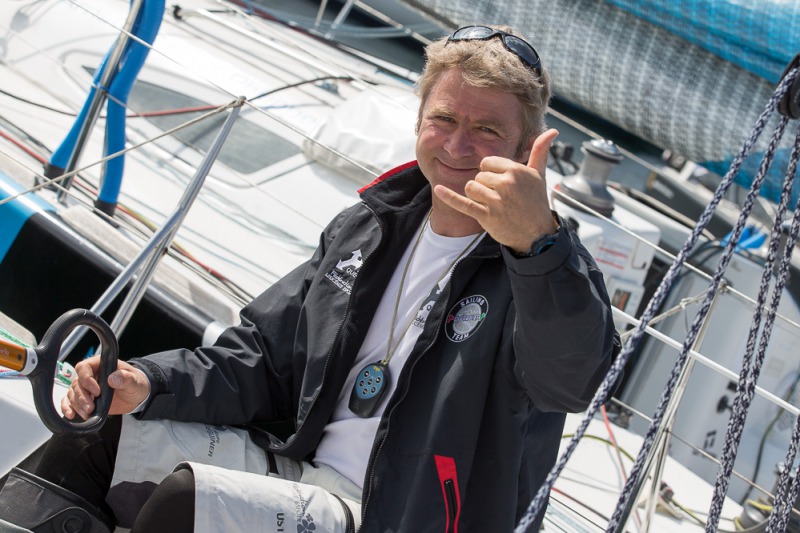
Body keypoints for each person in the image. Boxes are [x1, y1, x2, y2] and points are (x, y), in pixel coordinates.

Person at [0, 24, 619, 532]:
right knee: (95, 432)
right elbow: (264, 360)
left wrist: (536, 243)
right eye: (444, 119)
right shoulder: (369, 228)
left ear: (526, 146)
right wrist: (148, 381)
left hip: (382, 518)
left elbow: (573, 383)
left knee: (188, 505)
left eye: (487, 130)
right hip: (297, 473)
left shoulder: (545, 271)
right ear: (420, 119)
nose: (458, 145)